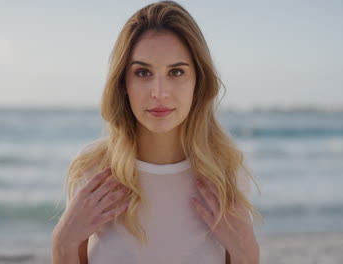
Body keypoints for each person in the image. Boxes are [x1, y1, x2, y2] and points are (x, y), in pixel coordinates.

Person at [52, 1, 263, 263]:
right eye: (142, 72)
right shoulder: (93, 169)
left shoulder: (227, 173)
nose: (159, 92)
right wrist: (62, 242)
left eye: (176, 72)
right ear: (123, 84)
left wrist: (249, 255)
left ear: (198, 82)